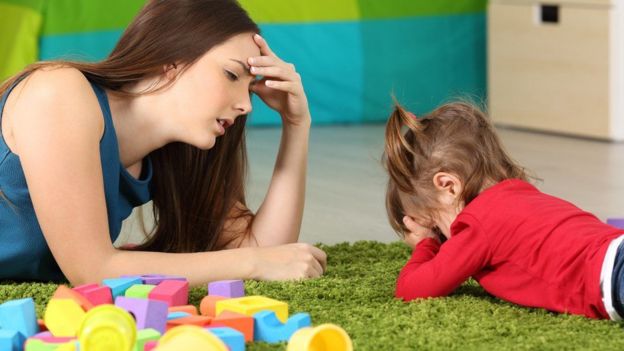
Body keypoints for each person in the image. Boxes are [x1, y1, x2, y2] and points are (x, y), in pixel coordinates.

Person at [0, 0, 326, 286]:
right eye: (231, 75)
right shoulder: (58, 93)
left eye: (249, 85)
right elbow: (93, 270)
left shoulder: (172, 154)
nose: (246, 105)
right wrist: (252, 263)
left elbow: (266, 250)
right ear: (170, 62)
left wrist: (297, 125)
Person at [383, 101, 624, 320]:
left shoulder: (476, 224)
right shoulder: (520, 194)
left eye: (437, 227)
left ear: (449, 186)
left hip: (612, 276)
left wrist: (426, 243)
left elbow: (411, 290)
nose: (446, 242)